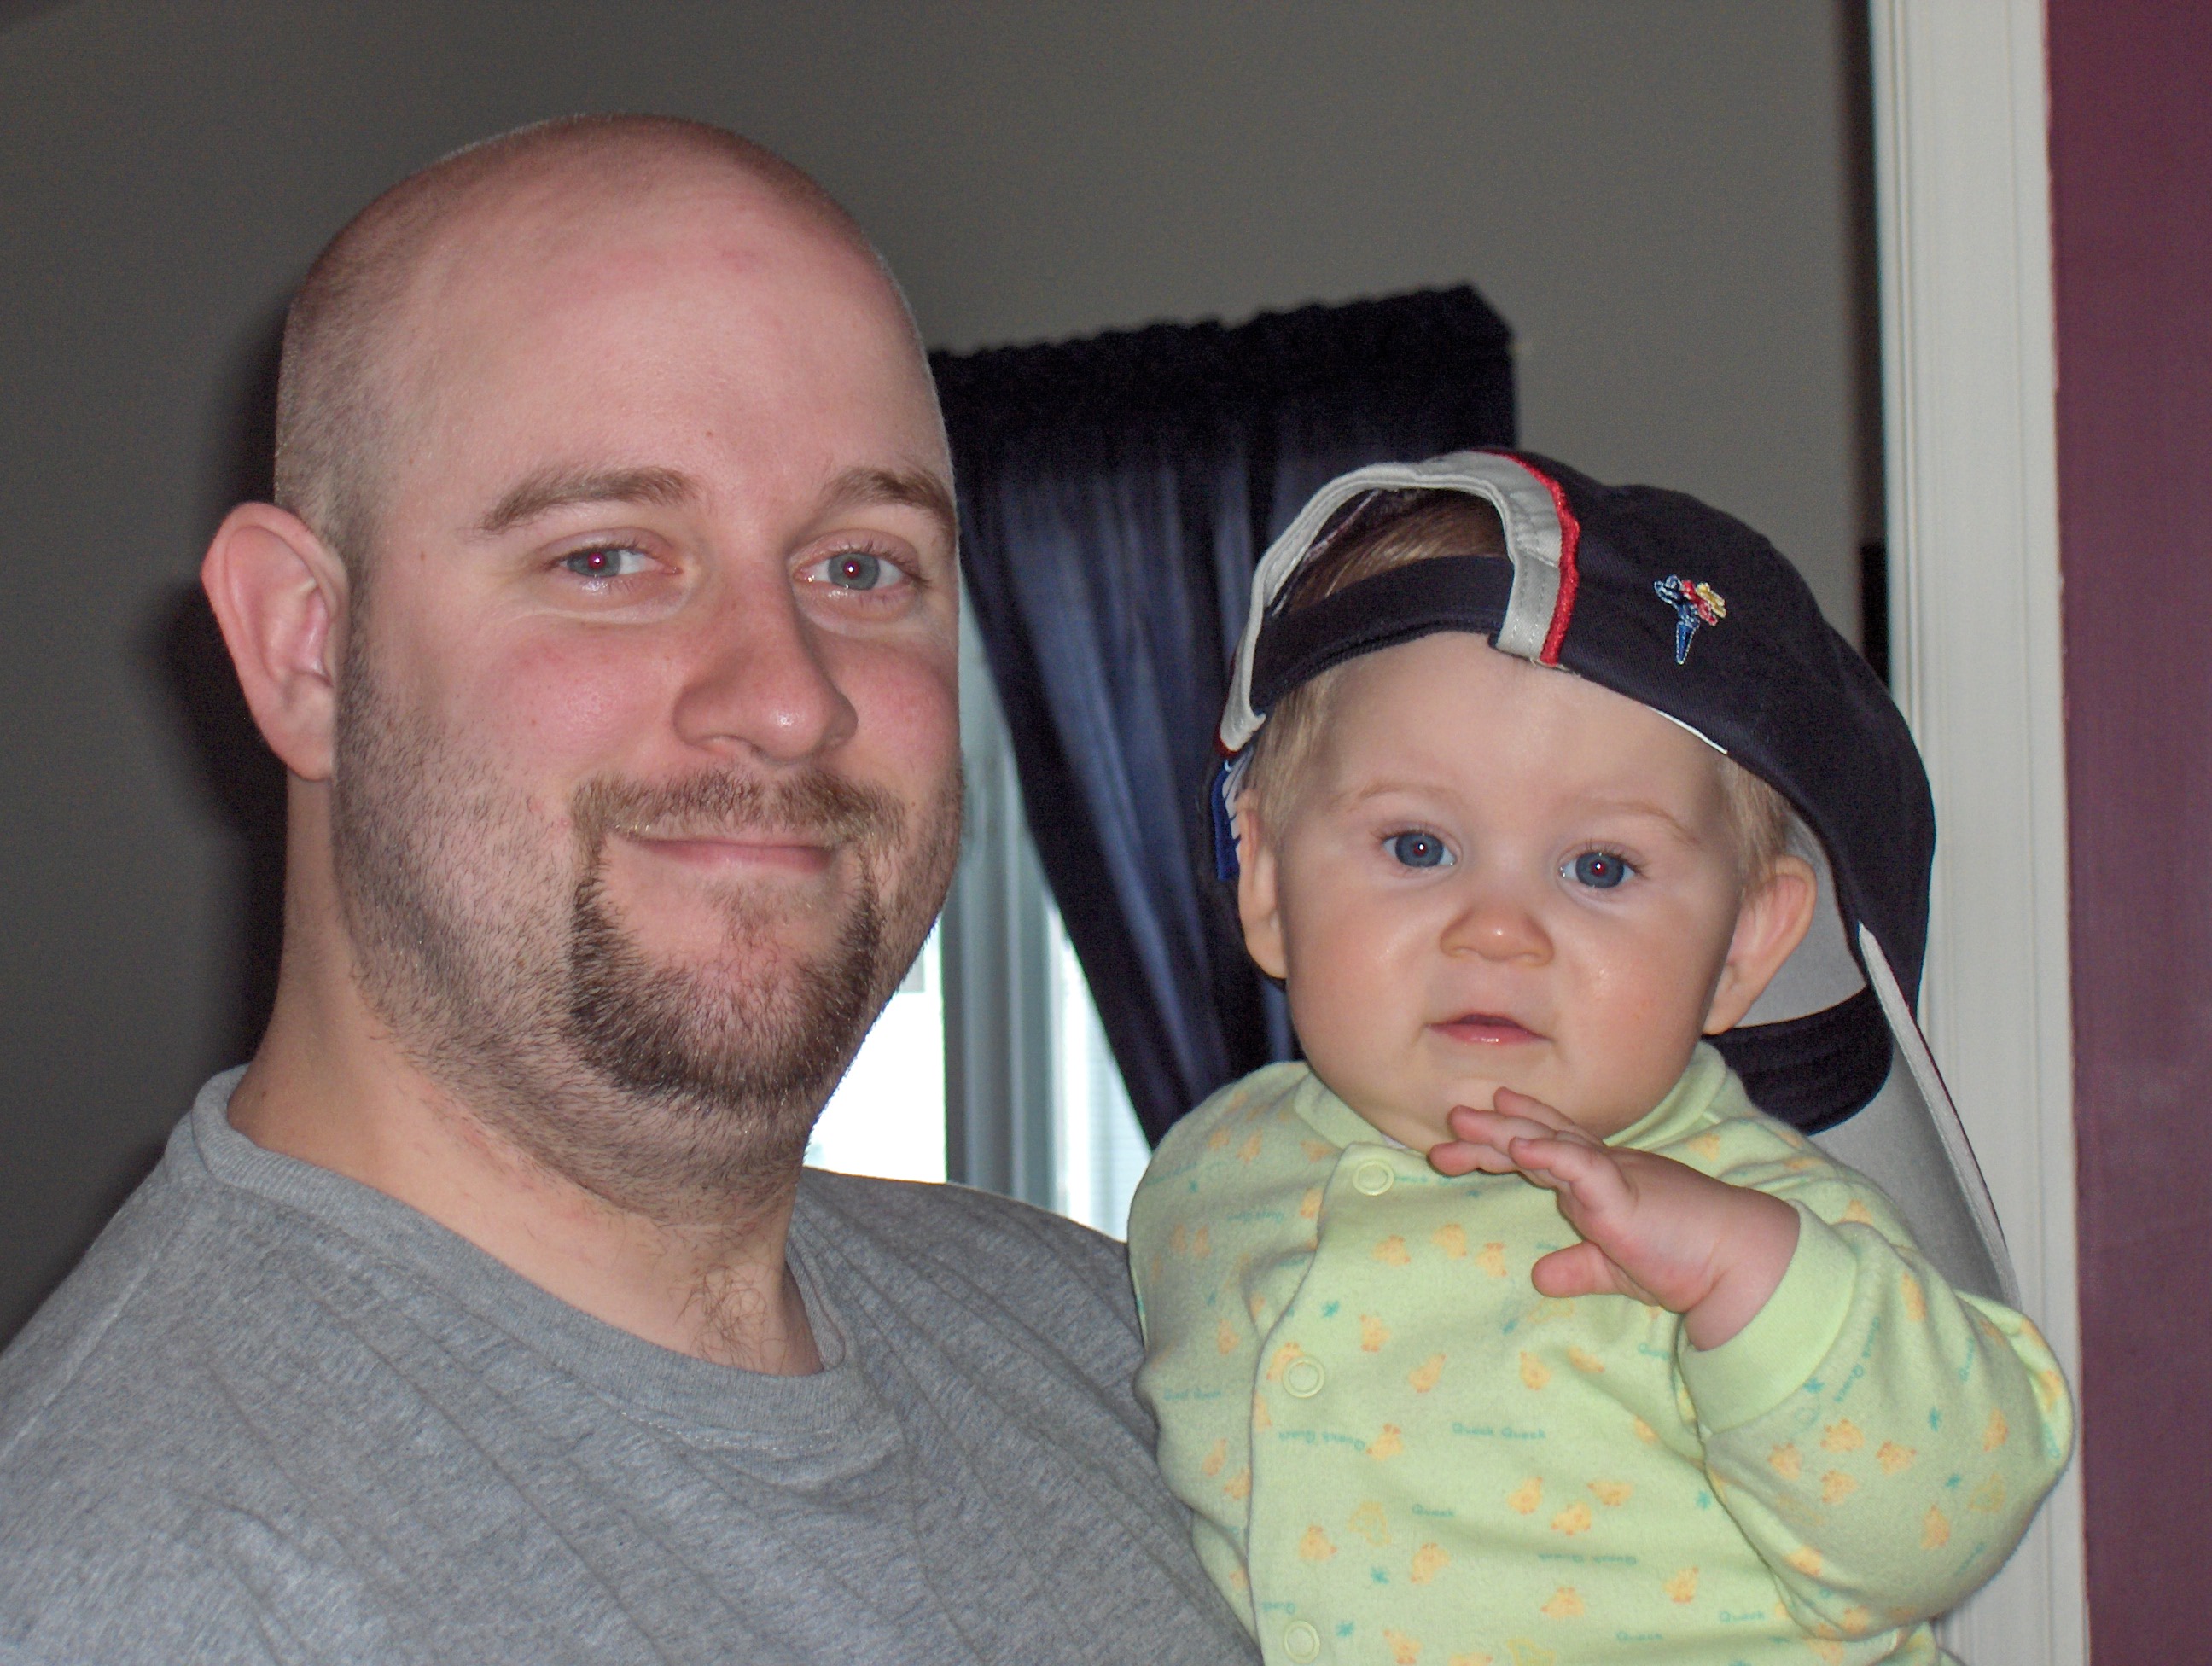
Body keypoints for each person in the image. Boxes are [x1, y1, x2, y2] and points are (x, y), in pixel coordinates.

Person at [0, 115, 1254, 1665]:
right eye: (607, 557)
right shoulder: (132, 1584)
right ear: (306, 650)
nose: (788, 700)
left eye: (862, 566)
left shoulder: (1130, 1338)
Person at [1130, 452, 2073, 1665]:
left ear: (1743, 946)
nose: (1498, 931)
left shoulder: (1760, 1218)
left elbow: (1943, 1520)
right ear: (1263, 880)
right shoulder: (1203, 1178)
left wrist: (1751, 1284)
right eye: (1417, 846)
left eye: (1600, 868)